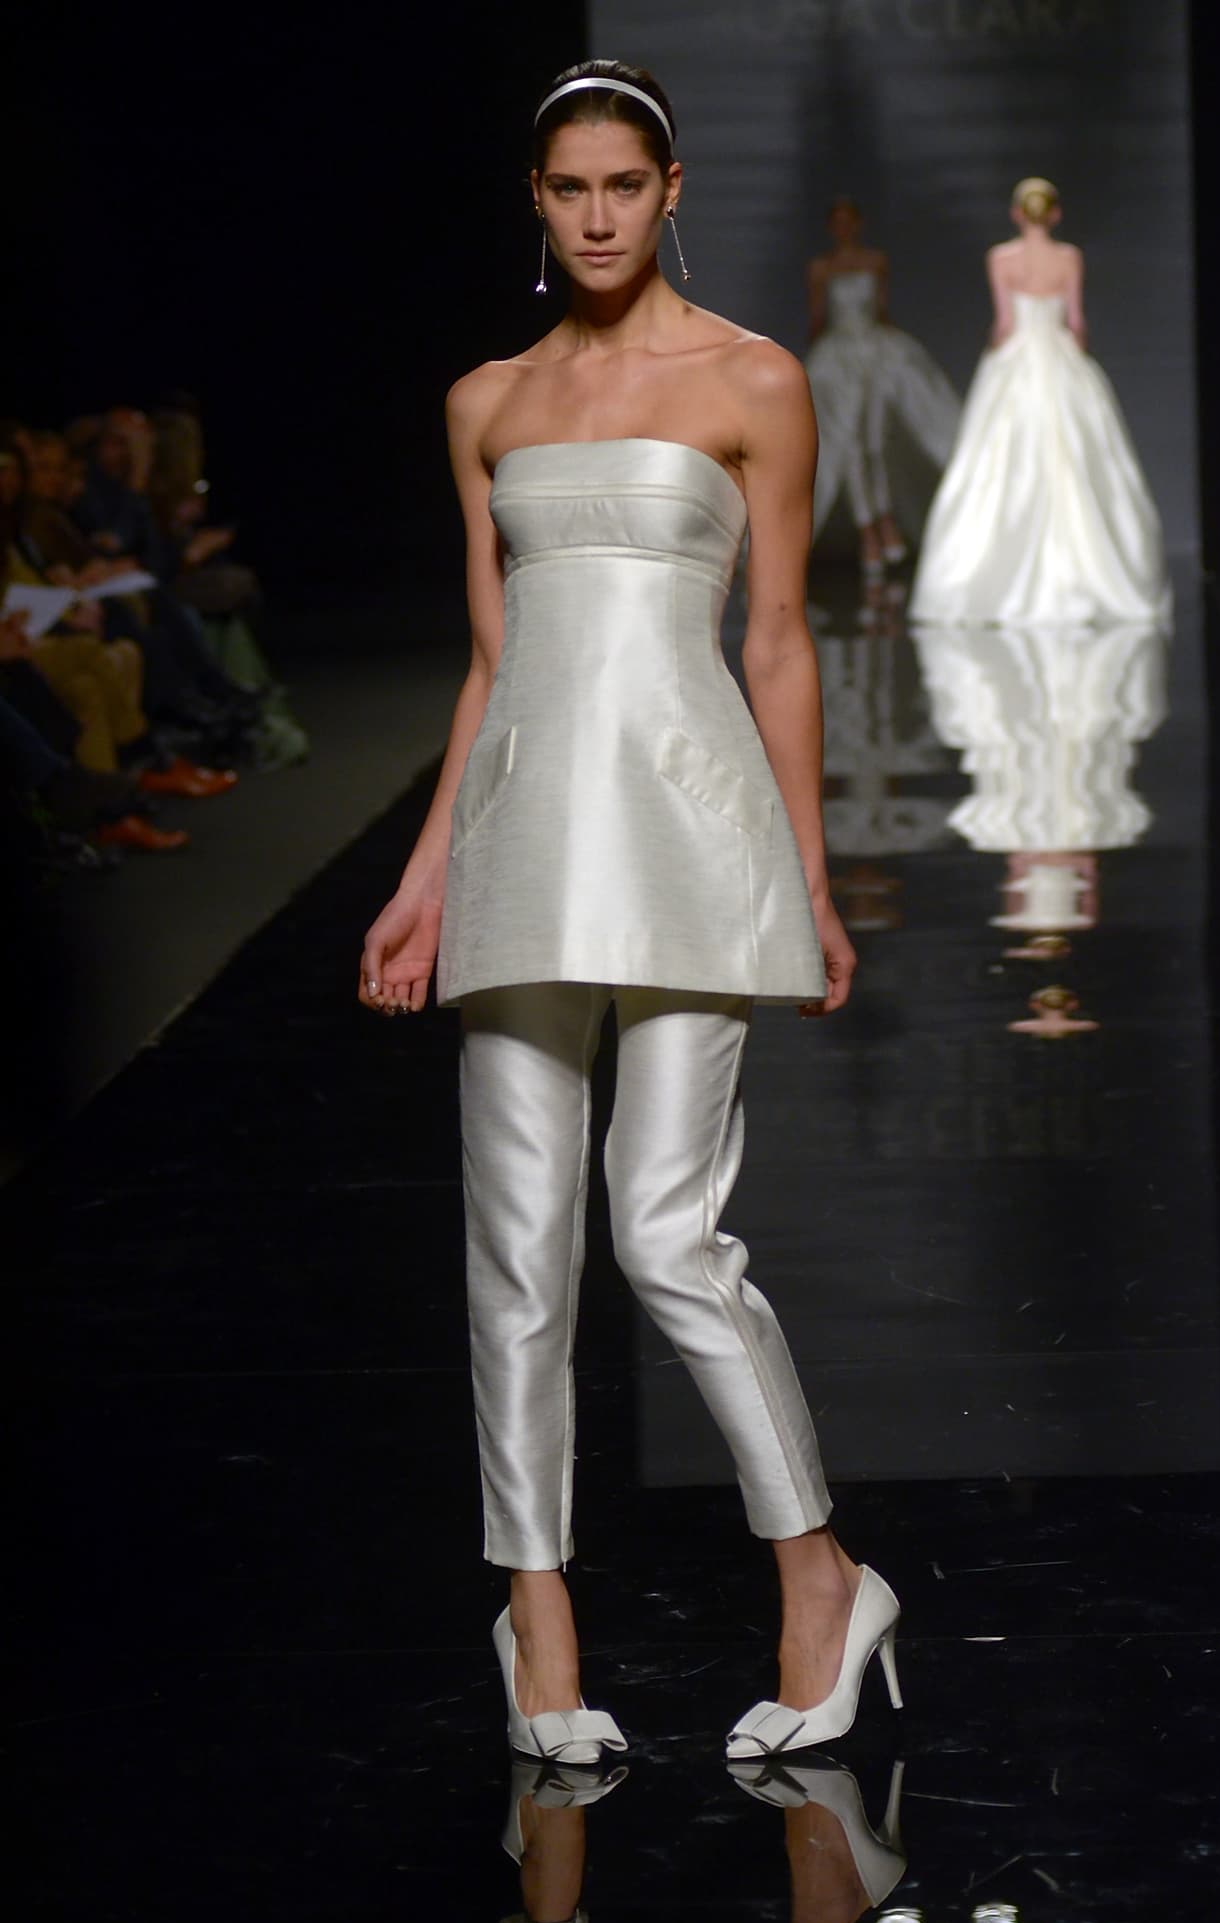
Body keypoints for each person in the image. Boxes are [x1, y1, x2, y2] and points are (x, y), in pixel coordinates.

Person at [357, 60, 902, 1766]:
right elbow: (492, 661)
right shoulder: (487, 401)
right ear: (538, 199)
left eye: (624, 184)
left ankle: (822, 1578)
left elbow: (780, 642)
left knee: (668, 1234)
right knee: (517, 1250)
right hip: (525, 839)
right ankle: (536, 1613)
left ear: (671, 190)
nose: (597, 214)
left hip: (688, 832)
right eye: (568, 187)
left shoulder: (753, 377)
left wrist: (810, 876)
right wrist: (425, 870)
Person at [909, 178, 1170, 626]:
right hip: (1060, 358)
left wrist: (995, 356)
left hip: (1016, 364)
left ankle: (996, 582)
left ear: (1016, 214)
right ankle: (1085, 575)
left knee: (1004, 464)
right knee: (1075, 461)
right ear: (1055, 214)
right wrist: (1073, 353)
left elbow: (1004, 325)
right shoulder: (1069, 258)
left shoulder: (1001, 258)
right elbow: (1076, 323)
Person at [805, 197, 959, 574]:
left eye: (848, 221)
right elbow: (818, 318)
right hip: (839, 362)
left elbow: (882, 310)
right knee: (849, 446)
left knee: (874, 443)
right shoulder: (821, 268)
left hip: (875, 355)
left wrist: (897, 355)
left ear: (858, 224)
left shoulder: (876, 261)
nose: (843, 228)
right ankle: (870, 532)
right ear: (831, 227)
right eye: (837, 221)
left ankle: (884, 522)